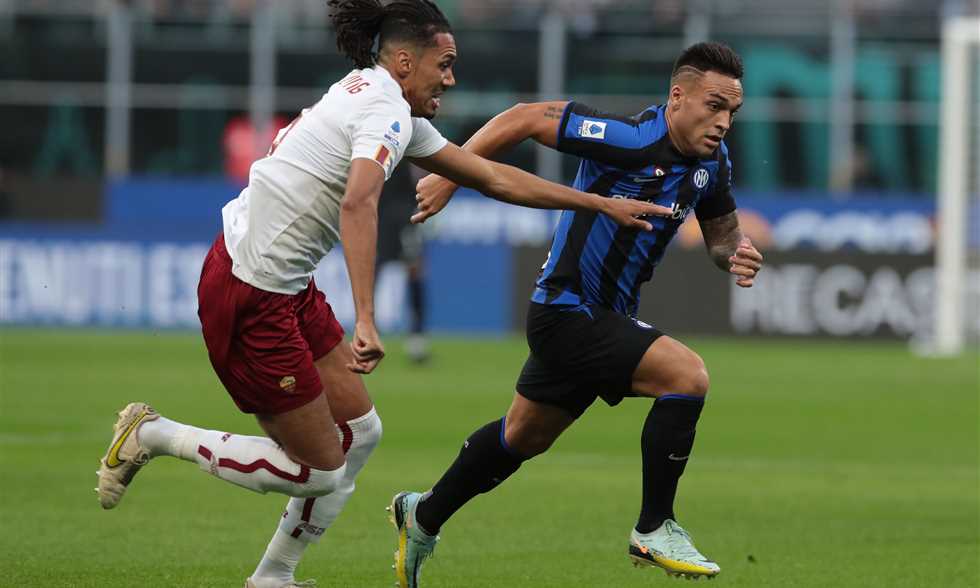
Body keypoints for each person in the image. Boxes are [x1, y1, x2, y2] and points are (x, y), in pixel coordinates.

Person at [94, 2, 671, 587]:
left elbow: (492, 176)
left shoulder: (385, 101)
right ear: (404, 62)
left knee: (361, 433)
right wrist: (366, 318)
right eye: (444, 64)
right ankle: (153, 434)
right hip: (250, 291)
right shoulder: (384, 110)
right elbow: (358, 202)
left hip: (283, 285)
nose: (451, 79)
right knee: (319, 471)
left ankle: (273, 577)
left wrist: (598, 203)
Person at [393, 41, 764, 586]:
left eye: (732, 110)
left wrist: (736, 254)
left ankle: (422, 514)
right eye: (714, 105)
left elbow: (721, 236)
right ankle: (654, 527)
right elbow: (524, 118)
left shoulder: (713, 163)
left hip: (602, 316)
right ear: (677, 97)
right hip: (567, 310)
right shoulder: (630, 139)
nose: (724, 122)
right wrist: (450, 175)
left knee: (522, 437)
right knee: (687, 376)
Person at [377, 162, 431, 363]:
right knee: (371, 274)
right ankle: (367, 333)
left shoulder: (407, 155)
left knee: (414, 273)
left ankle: (416, 338)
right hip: (383, 219)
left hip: (406, 219)